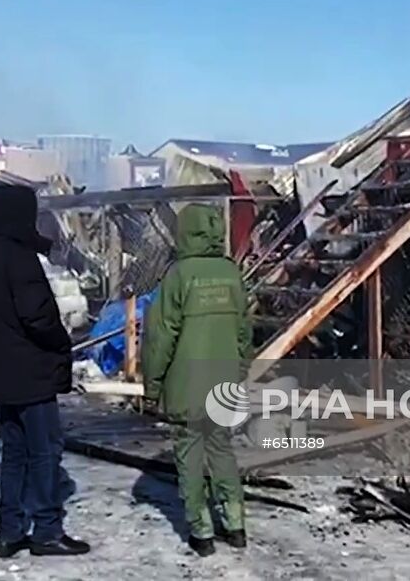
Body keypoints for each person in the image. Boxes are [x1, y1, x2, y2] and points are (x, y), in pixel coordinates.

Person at [0, 184, 90, 559]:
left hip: (2, 370)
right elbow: (37, 315)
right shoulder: (18, 257)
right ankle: (47, 530)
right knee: (45, 452)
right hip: (32, 369)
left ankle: (10, 532)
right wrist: (60, 341)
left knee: (15, 453)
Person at [143, 203, 253, 557]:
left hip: (186, 384)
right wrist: (240, 372)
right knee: (221, 448)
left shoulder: (178, 275)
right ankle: (235, 524)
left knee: (189, 454)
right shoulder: (231, 273)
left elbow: (160, 337)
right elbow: (243, 331)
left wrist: (152, 385)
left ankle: (201, 531)